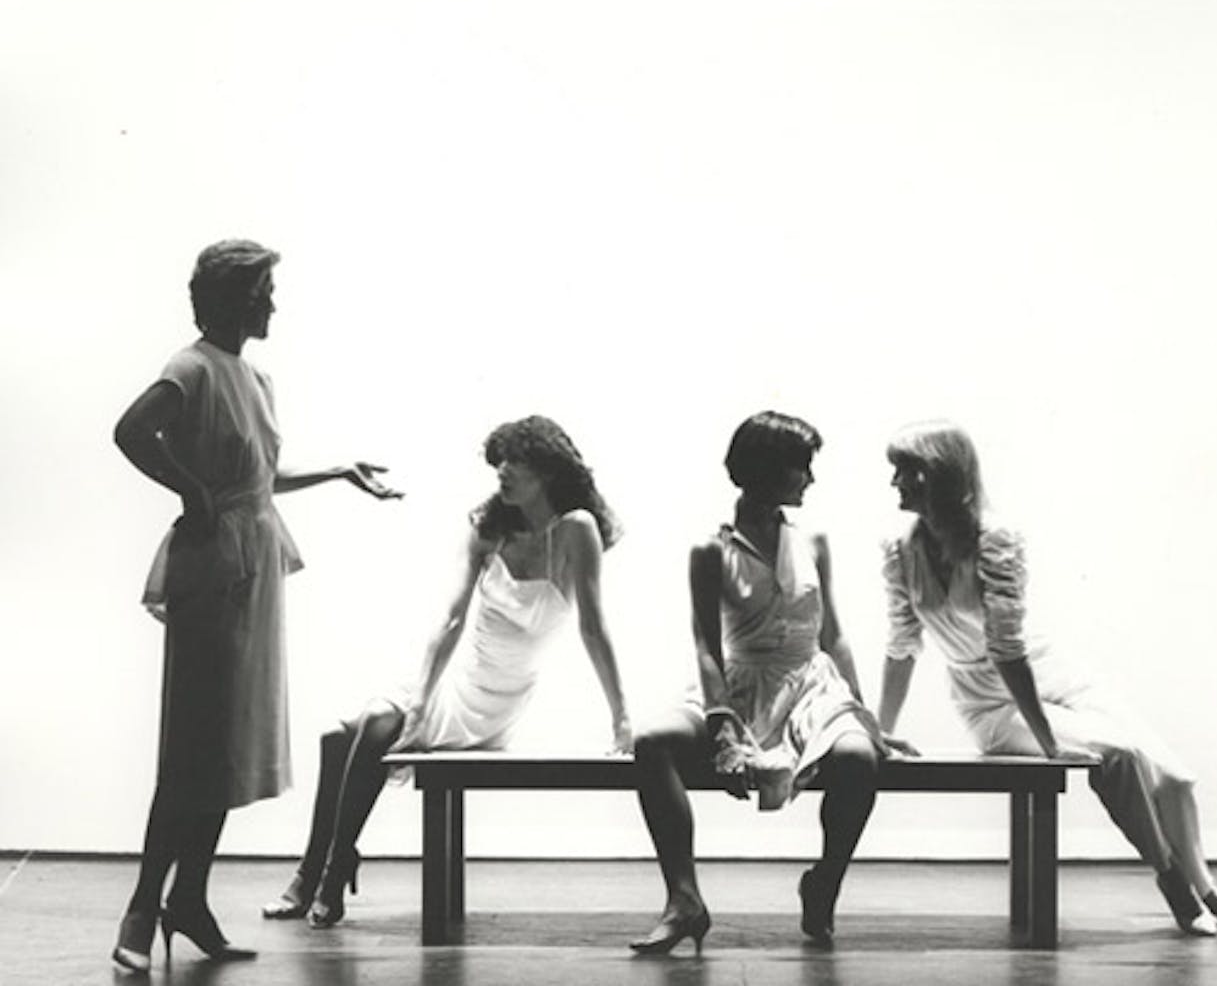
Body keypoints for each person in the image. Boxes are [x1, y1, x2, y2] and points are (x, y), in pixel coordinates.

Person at [111, 240, 401, 972]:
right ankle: (142, 908)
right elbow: (130, 431)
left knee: (225, 748)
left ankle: (189, 900)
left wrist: (338, 470)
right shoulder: (192, 367)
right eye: (265, 291)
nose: (274, 303)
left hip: (254, 565)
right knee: (191, 746)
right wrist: (190, 489)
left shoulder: (256, 377)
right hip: (214, 568)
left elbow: (258, 479)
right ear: (235, 298)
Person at [876, 420, 1217, 937]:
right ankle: (1172, 881)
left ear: (941, 475)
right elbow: (902, 647)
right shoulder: (900, 551)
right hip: (988, 701)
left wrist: (1046, 738)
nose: (895, 482)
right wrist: (881, 731)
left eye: (907, 470)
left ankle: (1209, 891)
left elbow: (1010, 649)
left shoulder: (996, 538)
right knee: (1119, 754)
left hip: (1047, 673)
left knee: (1175, 777)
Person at [262, 414, 634, 929]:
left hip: (502, 700)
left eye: (517, 461)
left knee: (360, 730)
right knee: (345, 733)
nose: (503, 470)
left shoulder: (577, 529)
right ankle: (325, 868)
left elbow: (593, 628)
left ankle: (323, 873)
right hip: (459, 682)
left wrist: (621, 717)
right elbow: (452, 619)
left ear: (548, 470)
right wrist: (420, 701)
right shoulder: (489, 528)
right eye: (499, 460)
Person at [630, 411, 889, 953]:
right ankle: (684, 900)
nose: (810, 479)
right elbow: (706, 645)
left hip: (812, 687)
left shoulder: (813, 542)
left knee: (858, 758)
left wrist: (864, 715)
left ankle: (825, 882)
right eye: (801, 466)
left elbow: (833, 635)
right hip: (741, 686)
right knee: (652, 742)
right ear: (766, 469)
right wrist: (722, 724)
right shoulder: (711, 550)